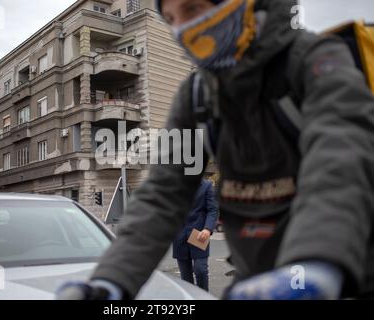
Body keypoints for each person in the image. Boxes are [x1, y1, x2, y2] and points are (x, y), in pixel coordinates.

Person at [56, 0, 374, 300]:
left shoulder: (315, 59)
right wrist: (110, 281)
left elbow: (339, 160)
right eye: (171, 19)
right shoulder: (198, 97)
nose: (182, 29)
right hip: (255, 283)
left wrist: (315, 263)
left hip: (345, 275)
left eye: (193, 8)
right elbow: (165, 194)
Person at [173, 179, 218, 291]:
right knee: (185, 276)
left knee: (200, 270)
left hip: (199, 234)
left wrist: (207, 229)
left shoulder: (206, 186)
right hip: (179, 235)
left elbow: (213, 209)